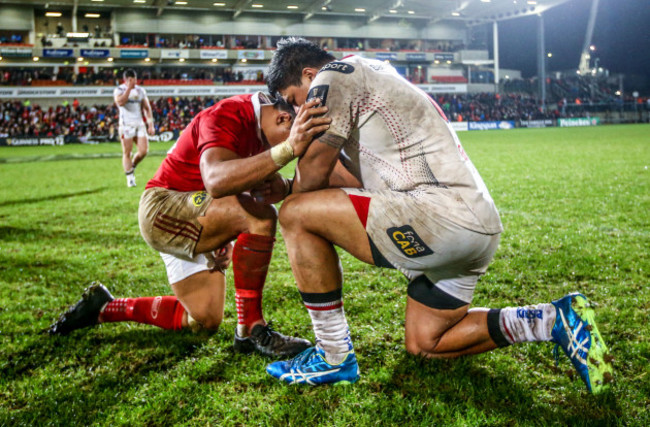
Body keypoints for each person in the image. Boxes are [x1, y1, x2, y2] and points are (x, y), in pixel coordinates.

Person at [262, 38, 614, 392]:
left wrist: (292, 147)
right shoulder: (371, 71)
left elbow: (310, 185)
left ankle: (333, 355)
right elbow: (352, 180)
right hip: (476, 226)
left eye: (295, 98)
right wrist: (293, 182)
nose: (298, 111)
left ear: (309, 74)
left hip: (436, 216)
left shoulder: (330, 76)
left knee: (294, 213)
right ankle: (552, 320)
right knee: (426, 343)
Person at [49, 91, 332, 358]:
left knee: (203, 318)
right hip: (163, 209)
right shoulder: (228, 114)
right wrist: (287, 148)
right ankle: (250, 329)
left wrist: (225, 235)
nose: (288, 146)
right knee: (260, 215)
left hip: (194, 212)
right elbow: (217, 181)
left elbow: (231, 190)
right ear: (283, 118)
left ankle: (105, 308)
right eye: (291, 136)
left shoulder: (258, 128)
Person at [114, 69, 155, 187]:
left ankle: (132, 166)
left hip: (139, 123)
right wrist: (128, 89)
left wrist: (150, 124)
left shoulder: (140, 90)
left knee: (143, 151)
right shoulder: (119, 90)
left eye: (135, 79)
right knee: (127, 152)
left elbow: (147, 108)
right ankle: (130, 178)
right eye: (132, 80)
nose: (134, 82)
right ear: (126, 80)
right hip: (126, 124)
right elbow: (120, 102)